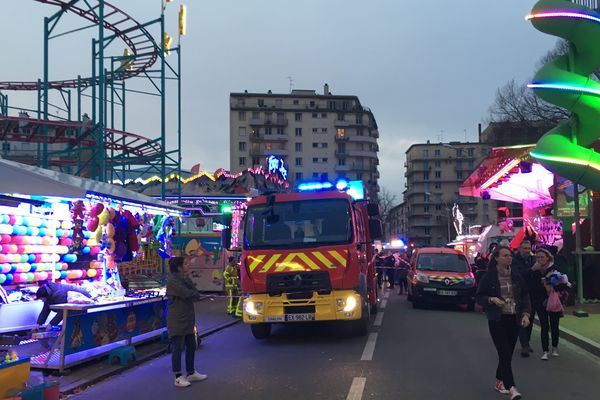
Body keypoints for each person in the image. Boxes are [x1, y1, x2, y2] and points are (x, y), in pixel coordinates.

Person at [476, 246, 531, 400]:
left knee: (507, 354)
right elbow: (479, 296)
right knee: (504, 352)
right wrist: (492, 299)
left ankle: (499, 381)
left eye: (510, 255)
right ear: (497, 258)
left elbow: (525, 296)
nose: (509, 258)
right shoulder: (489, 277)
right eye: (505, 255)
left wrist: (526, 314)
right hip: (497, 319)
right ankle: (511, 387)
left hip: (514, 318)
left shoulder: (517, 276)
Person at [166, 256, 207, 388]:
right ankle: (178, 376)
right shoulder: (173, 281)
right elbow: (188, 294)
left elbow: (195, 293)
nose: (188, 265)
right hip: (177, 318)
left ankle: (191, 372)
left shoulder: (184, 279)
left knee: (191, 344)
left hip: (188, 317)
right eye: (185, 264)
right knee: (177, 347)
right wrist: (194, 294)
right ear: (179, 267)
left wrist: (193, 292)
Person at [526, 248, 560, 360]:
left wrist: (551, 286)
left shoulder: (554, 269)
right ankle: (545, 350)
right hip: (540, 302)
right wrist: (532, 270)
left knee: (554, 325)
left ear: (548, 258)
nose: (540, 259)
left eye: (542, 257)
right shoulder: (534, 270)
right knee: (544, 326)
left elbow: (562, 284)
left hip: (553, 300)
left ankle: (554, 347)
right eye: (538, 257)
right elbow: (529, 284)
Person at [511, 240, 536, 357]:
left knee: (529, 318)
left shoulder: (532, 259)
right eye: (525, 248)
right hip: (520, 293)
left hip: (532, 292)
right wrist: (531, 270)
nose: (527, 251)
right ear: (520, 249)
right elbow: (518, 274)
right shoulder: (515, 261)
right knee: (522, 317)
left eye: (528, 248)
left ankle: (527, 342)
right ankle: (524, 344)